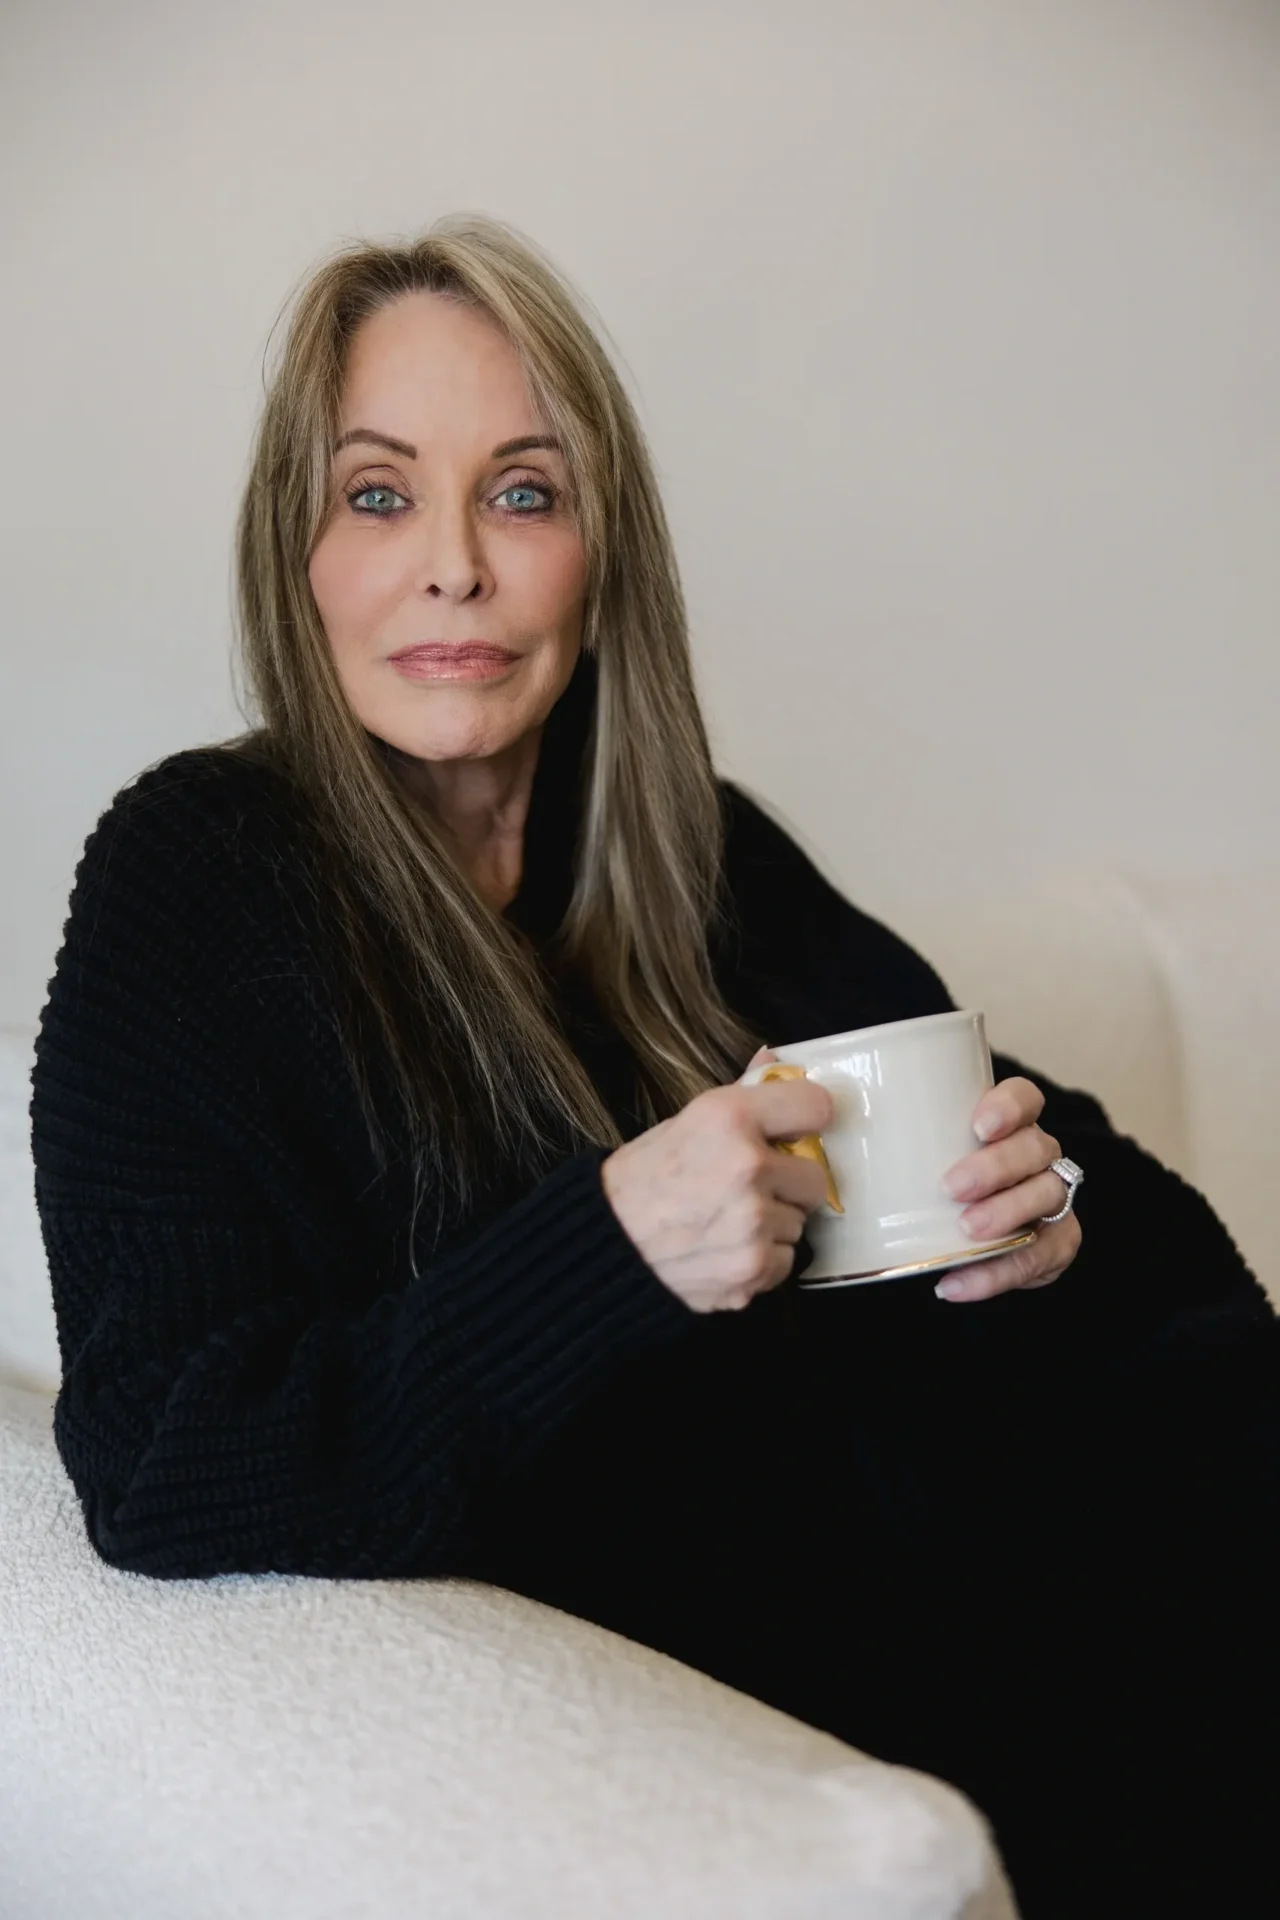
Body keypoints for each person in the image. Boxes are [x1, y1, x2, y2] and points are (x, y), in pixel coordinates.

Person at [30, 217, 1277, 1919]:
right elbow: (164, 1454)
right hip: (769, 1700)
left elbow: (1065, 1168)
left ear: (600, 551)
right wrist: (612, 1249)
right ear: (295, 553)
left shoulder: (695, 854)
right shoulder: (201, 880)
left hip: (1004, 1574)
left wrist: (1039, 1207)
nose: (455, 563)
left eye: (523, 492)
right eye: (380, 493)